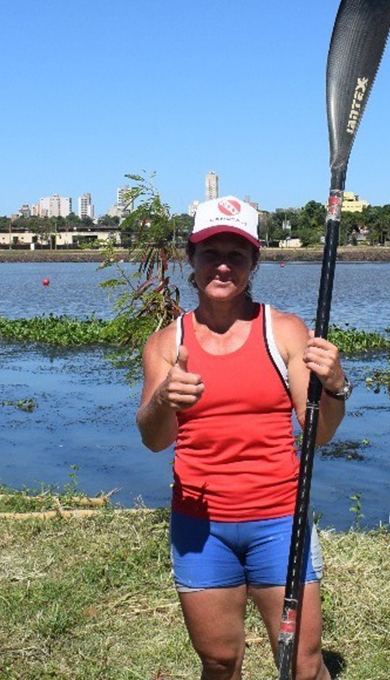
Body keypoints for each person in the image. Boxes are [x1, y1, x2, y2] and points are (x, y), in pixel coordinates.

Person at [137, 196, 349, 680]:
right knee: (219, 660)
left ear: (254, 262)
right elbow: (153, 439)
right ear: (191, 258)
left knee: (301, 662)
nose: (223, 265)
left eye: (237, 254)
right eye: (211, 252)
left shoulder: (286, 331)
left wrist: (335, 385)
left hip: (279, 523)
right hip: (200, 528)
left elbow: (320, 435)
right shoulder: (167, 343)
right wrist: (163, 401)